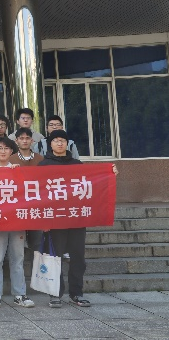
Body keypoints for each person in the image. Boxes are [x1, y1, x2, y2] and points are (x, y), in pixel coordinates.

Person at [39, 129, 119, 308]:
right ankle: (55, 294)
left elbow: (93, 183)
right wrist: (43, 220)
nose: (60, 143)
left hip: (76, 217)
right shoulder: (43, 165)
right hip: (55, 219)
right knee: (55, 257)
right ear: (50, 144)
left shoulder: (77, 164)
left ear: (67, 143)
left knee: (78, 257)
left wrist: (109, 173)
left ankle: (76, 293)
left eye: (63, 140)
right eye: (56, 140)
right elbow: (39, 194)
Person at [0, 137, 35, 309]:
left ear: (11, 151)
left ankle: (19, 294)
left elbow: (26, 194)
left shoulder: (17, 170)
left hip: (17, 221)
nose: (3, 151)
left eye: (6, 148)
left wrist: (19, 174)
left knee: (18, 258)